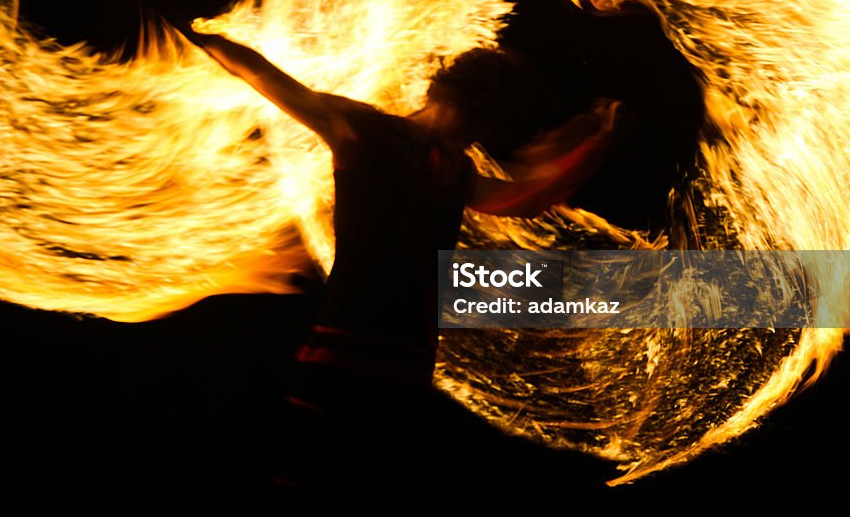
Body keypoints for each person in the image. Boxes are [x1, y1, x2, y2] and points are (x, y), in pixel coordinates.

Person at [171, 25, 620, 496]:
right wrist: (181, 21)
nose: (480, 141)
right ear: (463, 104)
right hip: (342, 358)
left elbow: (521, 197)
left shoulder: (456, 170)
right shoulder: (361, 129)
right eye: (483, 126)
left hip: (405, 371)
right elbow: (260, 73)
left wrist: (594, 147)